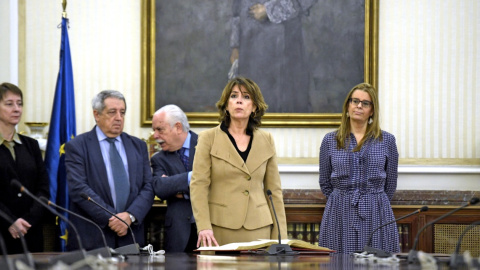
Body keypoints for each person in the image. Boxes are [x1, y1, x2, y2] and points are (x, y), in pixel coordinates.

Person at [190, 77, 287, 247]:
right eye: (234, 96)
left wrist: (281, 236)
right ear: (226, 104)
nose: (239, 101)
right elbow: (199, 185)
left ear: (255, 107)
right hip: (218, 229)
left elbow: (274, 191)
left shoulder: (267, 139)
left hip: (259, 228)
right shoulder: (208, 138)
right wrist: (203, 226)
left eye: (246, 97)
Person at [65, 90, 154, 251]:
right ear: (96, 115)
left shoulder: (138, 146)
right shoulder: (77, 146)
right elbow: (78, 188)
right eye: (112, 112)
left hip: (131, 236)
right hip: (93, 237)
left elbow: (148, 186)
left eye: (122, 112)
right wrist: (112, 218)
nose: (119, 118)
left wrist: (130, 216)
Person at [318, 83, 399, 254]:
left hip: (376, 211)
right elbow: (325, 182)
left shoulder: (387, 141)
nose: (359, 106)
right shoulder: (330, 140)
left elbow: (390, 184)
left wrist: (373, 201)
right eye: (355, 101)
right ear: (347, 106)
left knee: (376, 264)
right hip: (339, 212)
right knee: (338, 263)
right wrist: (342, 199)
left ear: (372, 110)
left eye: (365, 103)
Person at [230, 0, 318, 113]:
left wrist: (269, 10)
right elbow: (237, 9)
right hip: (249, 46)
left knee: (280, 107)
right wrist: (235, 45)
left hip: (283, 46)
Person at [0, 82, 50, 254]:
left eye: (19, 103)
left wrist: (28, 221)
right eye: (9, 104)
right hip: (2, 233)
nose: (17, 109)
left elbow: (43, 189)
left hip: (31, 232)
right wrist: (10, 222)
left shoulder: (31, 145)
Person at [151, 104, 198, 252]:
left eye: (159, 129)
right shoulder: (158, 159)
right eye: (154, 130)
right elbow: (161, 188)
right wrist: (194, 177)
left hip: (210, 229)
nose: (155, 136)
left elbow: (217, 183)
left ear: (178, 127)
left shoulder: (208, 145)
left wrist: (177, 187)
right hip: (178, 233)